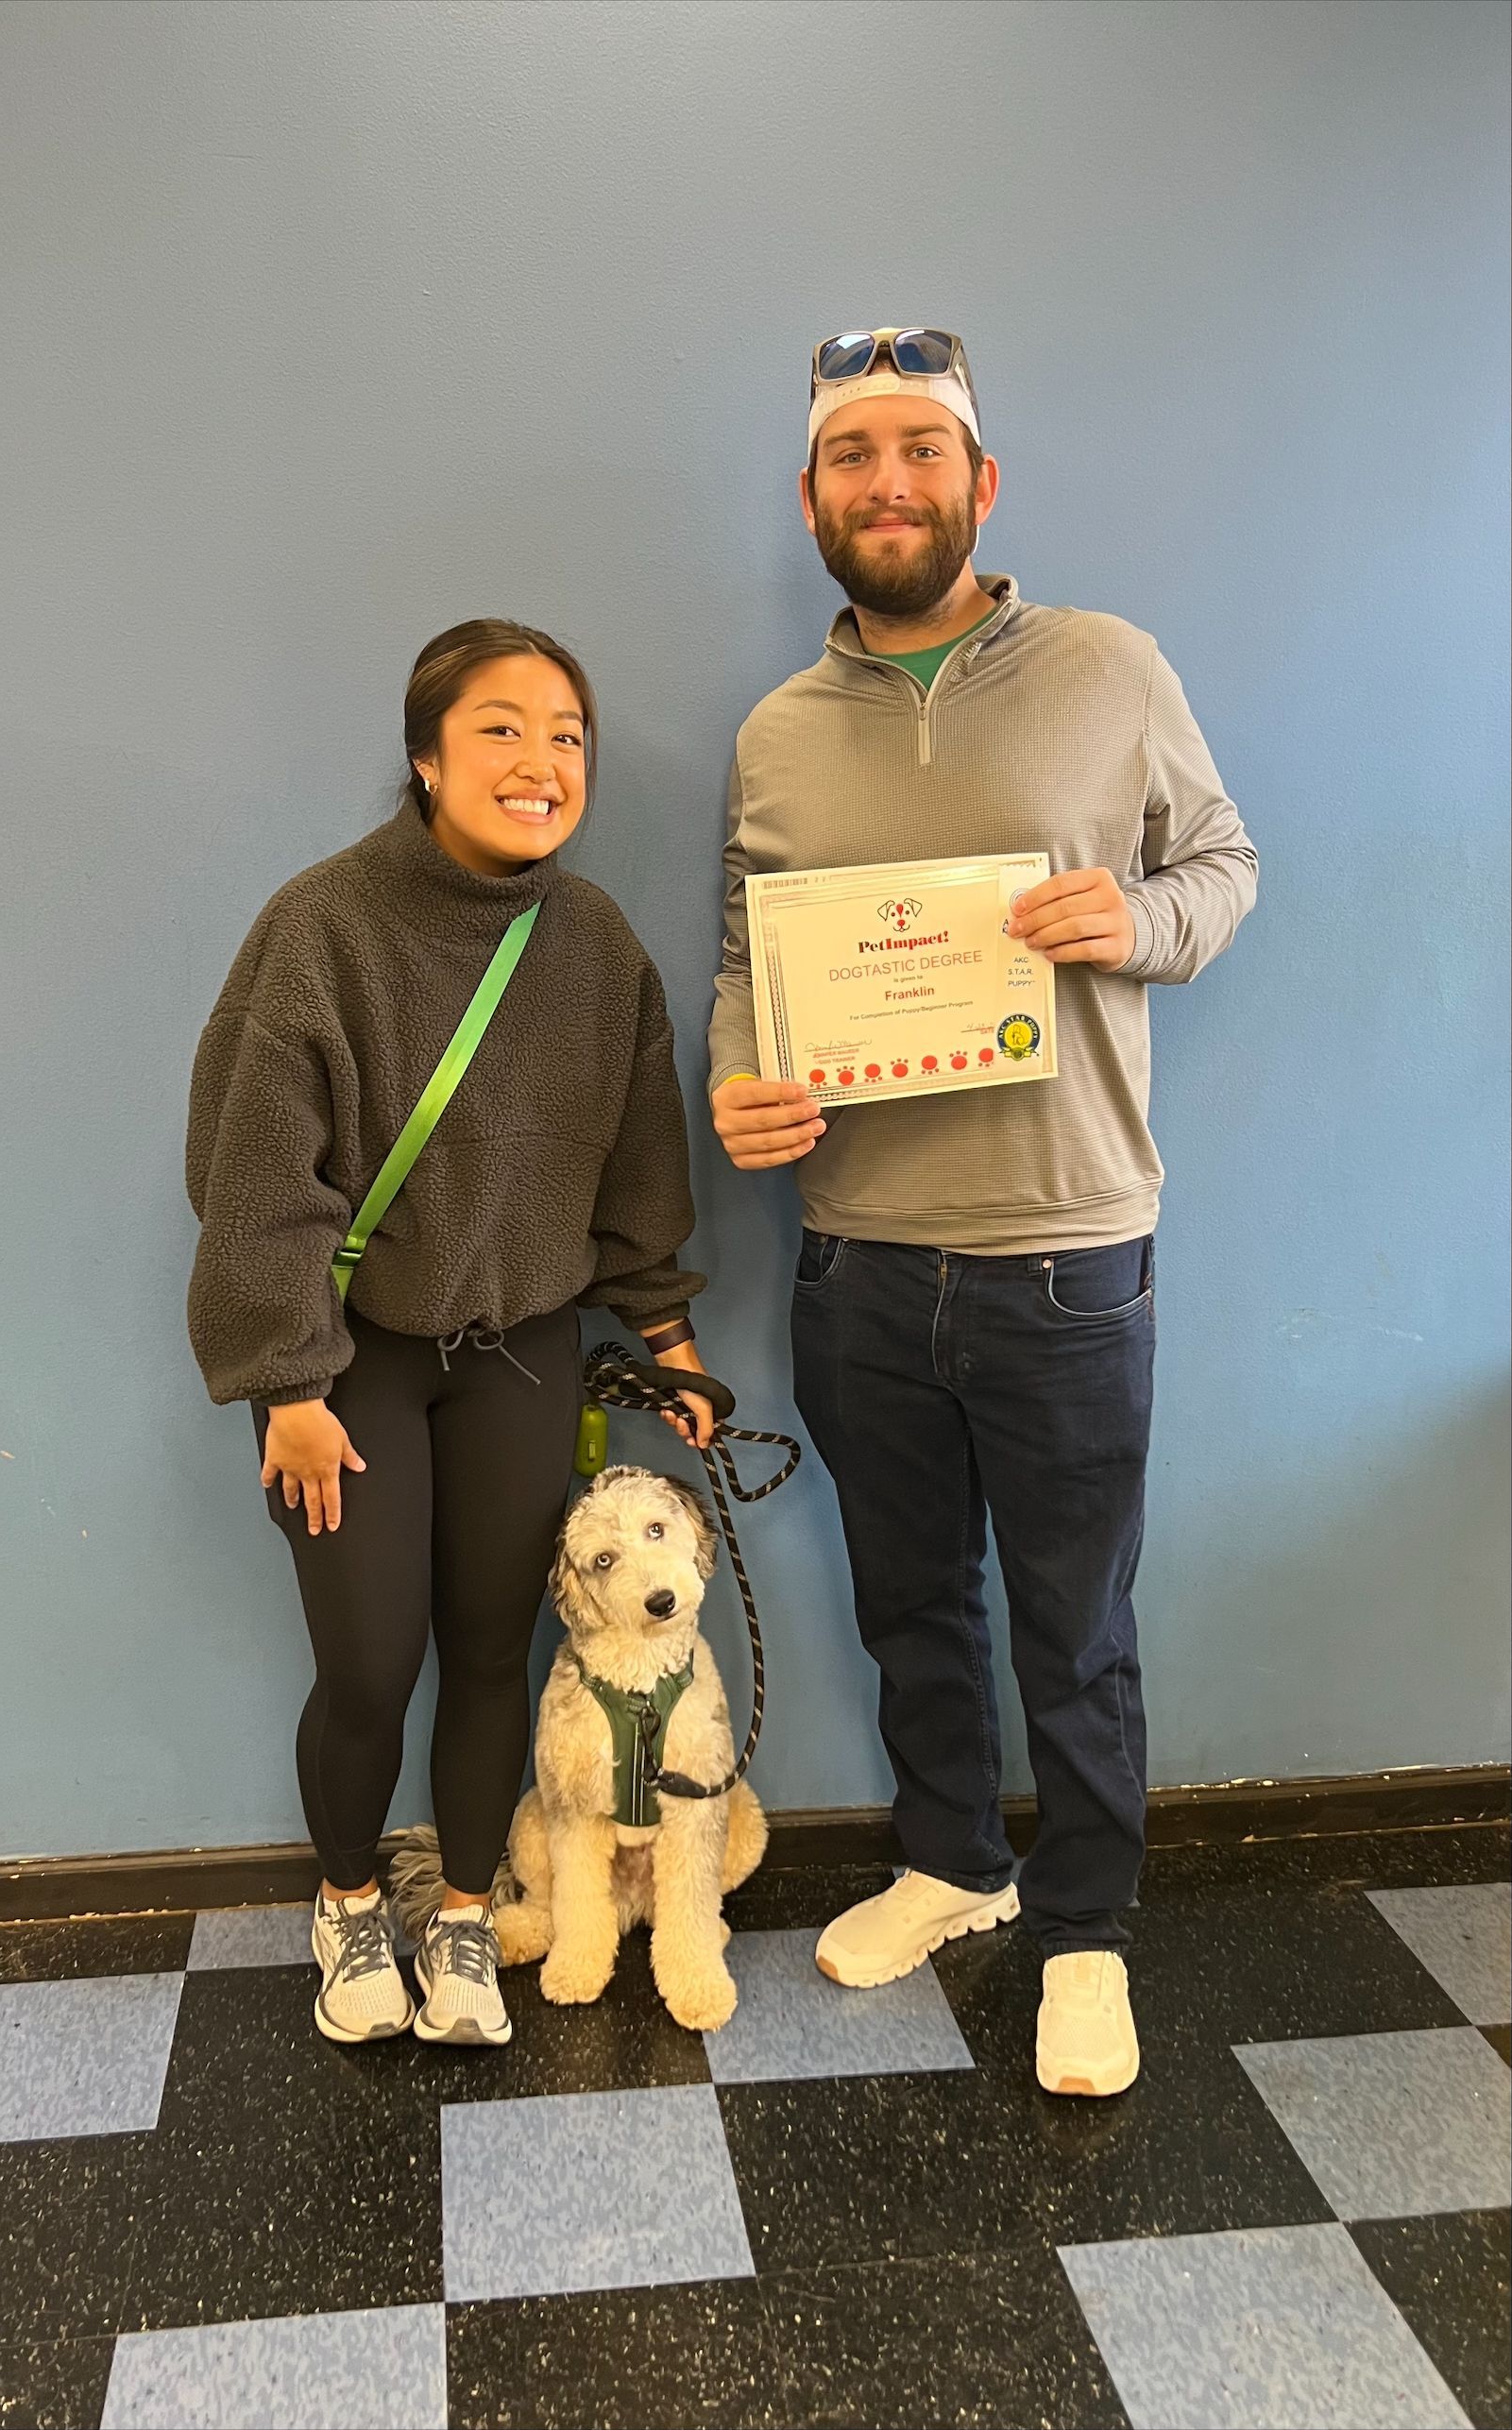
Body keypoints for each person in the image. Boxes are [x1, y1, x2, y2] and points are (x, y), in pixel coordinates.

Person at [708, 329, 1257, 2096]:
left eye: (921, 452)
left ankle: (1085, 1930)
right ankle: (955, 1859)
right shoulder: (776, 732)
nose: (888, 482)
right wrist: (741, 1077)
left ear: (977, 484)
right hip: (858, 1255)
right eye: (853, 455)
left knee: (1073, 1619)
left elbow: (1224, 864)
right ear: (810, 499)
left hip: (1066, 1256)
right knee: (908, 1600)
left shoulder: (1109, 666)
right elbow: (744, 953)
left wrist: (1138, 926)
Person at [187, 619, 714, 2048]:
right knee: (368, 1661)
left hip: (527, 1349)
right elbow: (249, 1179)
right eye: (500, 727)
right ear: (425, 756)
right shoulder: (321, 928)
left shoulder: (596, 945)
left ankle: (469, 1912)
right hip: (345, 1359)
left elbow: (637, 1161)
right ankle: (352, 1895)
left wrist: (665, 1334)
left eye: (566, 736)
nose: (540, 760)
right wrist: (285, 1379)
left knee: (491, 1651)